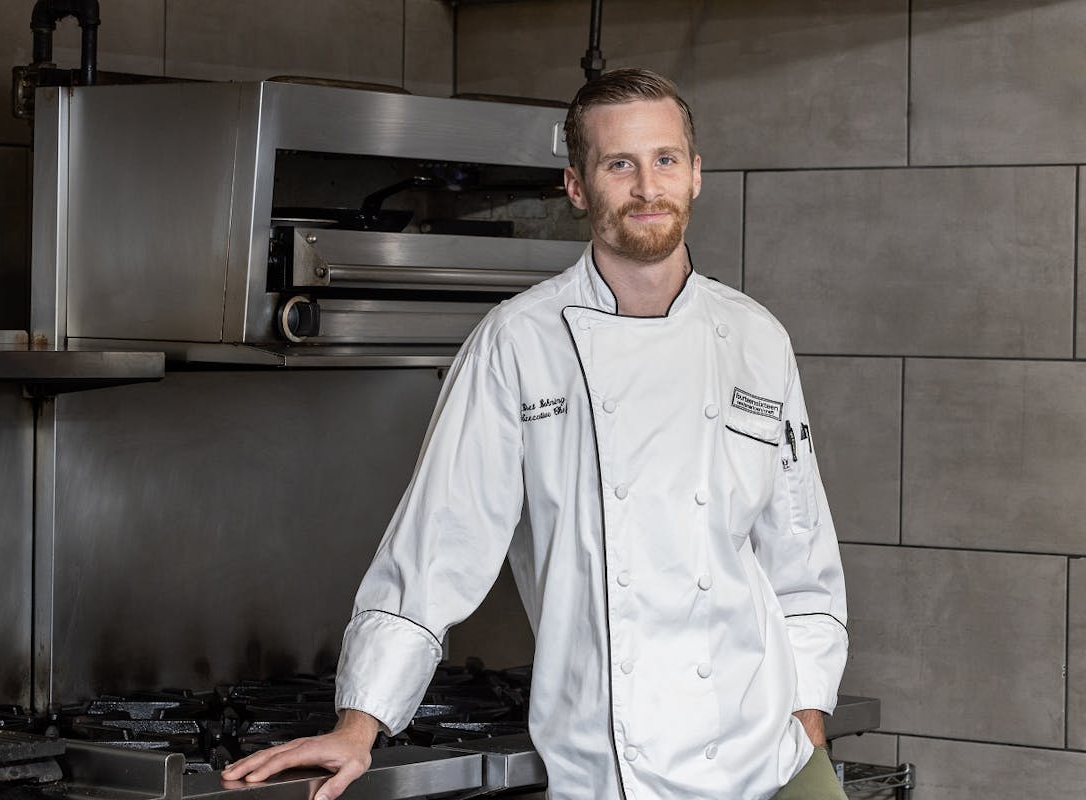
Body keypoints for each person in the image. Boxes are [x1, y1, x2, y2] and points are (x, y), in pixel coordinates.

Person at [223, 68, 849, 800]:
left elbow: (801, 557)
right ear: (578, 186)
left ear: (696, 173)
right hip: (616, 777)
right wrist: (360, 725)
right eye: (620, 164)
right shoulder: (518, 344)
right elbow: (438, 542)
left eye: (666, 159)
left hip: (775, 761)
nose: (648, 186)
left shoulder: (755, 337)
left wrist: (809, 717)